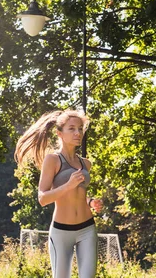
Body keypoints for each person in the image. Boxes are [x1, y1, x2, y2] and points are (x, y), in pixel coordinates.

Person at [15, 110, 103, 278]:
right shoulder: (53, 160)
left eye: (80, 128)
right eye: (72, 129)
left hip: (87, 228)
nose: (78, 133)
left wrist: (90, 201)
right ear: (59, 133)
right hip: (62, 232)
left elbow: (79, 193)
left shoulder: (86, 163)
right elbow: (42, 198)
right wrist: (68, 185)